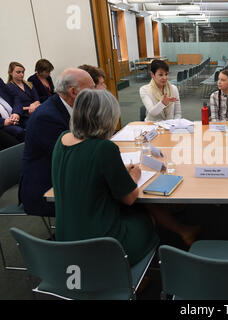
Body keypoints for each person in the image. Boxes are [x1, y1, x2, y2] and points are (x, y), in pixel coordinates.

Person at [52, 89, 156, 266]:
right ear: (107, 118)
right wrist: (134, 176)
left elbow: (85, 168)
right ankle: (131, 273)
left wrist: (118, 169)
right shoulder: (104, 148)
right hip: (104, 243)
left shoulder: (62, 139)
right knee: (146, 217)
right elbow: (130, 198)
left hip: (65, 239)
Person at [19, 68, 95, 217]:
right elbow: (72, 159)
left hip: (64, 178)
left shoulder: (71, 107)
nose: (96, 93)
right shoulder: (47, 118)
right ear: (73, 92)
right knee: (109, 199)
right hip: (45, 190)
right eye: (92, 89)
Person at [6, 62, 40, 127]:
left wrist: (33, 105)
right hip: (22, 116)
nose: (22, 74)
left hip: (35, 110)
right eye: (18, 72)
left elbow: (37, 100)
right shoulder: (8, 87)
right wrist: (29, 107)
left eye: (23, 72)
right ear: (10, 73)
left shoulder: (29, 84)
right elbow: (12, 106)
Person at [0, 77, 24, 143]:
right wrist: (3, 122)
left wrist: (16, 113)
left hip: (16, 116)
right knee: (19, 132)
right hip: (3, 125)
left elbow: (16, 97)